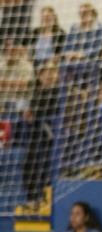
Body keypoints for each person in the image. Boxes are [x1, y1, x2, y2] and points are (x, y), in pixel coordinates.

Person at [20, 58, 59, 206]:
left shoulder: (59, 92)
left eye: (52, 72)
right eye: (45, 72)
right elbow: (31, 114)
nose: (49, 75)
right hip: (36, 134)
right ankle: (31, 198)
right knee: (29, 159)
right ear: (39, 76)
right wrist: (28, 115)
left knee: (44, 160)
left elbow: (51, 111)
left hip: (53, 134)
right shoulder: (36, 94)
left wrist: (34, 115)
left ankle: (45, 195)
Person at [0, 38, 33, 113]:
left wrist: (3, 83)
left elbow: (23, 85)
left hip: (19, 100)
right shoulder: (1, 65)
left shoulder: (26, 65)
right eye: (7, 49)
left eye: (13, 50)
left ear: (18, 50)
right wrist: (15, 83)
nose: (10, 52)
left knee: (21, 106)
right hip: (2, 100)